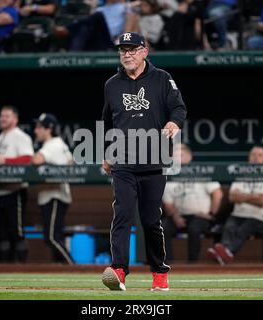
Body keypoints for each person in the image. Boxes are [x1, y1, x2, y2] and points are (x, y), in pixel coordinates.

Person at [101, 32, 187, 291]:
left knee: (151, 221)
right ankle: (118, 271)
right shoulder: (111, 84)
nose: (126, 53)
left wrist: (173, 122)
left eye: (132, 49)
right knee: (123, 215)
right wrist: (107, 152)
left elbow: (179, 108)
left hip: (154, 160)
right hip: (123, 162)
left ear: (144, 52)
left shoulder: (162, 78)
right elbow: (107, 122)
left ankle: (160, 274)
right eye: (122, 50)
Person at [206, 146, 263, 265]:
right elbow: (232, 197)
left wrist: (243, 197)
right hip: (238, 214)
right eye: (253, 155)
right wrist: (254, 197)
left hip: (259, 217)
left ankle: (225, 251)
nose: (256, 157)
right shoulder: (241, 175)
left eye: (259, 155)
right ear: (249, 159)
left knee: (243, 229)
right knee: (229, 227)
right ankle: (224, 252)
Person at [162, 144, 223, 263]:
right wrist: (175, 216)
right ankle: (168, 264)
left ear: (189, 157)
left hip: (200, 216)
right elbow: (168, 203)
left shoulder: (201, 172)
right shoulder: (169, 176)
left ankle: (192, 264)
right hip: (178, 216)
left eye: (181, 155)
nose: (178, 158)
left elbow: (217, 193)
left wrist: (211, 213)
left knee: (194, 228)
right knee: (163, 229)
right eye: (175, 155)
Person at [0, 105, 34, 262]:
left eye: (7, 116)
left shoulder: (20, 136)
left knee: (16, 233)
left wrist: (6, 160)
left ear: (15, 119)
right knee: (1, 235)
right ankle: (4, 271)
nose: (3, 118)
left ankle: (21, 270)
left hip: (14, 190)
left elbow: (28, 159)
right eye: (1, 116)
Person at [31, 113, 74, 264]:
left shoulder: (54, 144)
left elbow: (36, 160)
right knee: (56, 237)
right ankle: (66, 268)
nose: (36, 130)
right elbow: (71, 161)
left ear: (48, 129)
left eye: (39, 127)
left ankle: (73, 267)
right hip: (55, 194)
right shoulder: (60, 144)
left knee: (51, 237)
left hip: (54, 195)